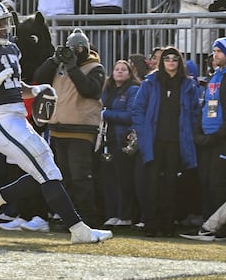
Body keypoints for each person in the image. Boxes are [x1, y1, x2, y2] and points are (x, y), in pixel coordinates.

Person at [0, 0, 113, 243]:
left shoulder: (9, 49)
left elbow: (15, 87)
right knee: (48, 173)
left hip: (16, 117)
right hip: (1, 120)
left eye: (5, 22)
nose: (5, 27)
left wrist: (35, 90)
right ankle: (79, 230)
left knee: (49, 170)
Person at [33, 28, 106, 226]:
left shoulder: (95, 68)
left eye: (78, 48)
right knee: (63, 177)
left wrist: (73, 68)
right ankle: (68, 216)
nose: (74, 52)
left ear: (86, 48)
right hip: (58, 129)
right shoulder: (60, 66)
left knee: (80, 178)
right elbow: (38, 78)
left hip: (81, 131)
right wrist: (53, 61)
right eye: (71, 48)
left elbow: (90, 90)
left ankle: (87, 218)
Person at [132, 46, 200, 237]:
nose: (171, 61)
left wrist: (188, 133)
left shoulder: (188, 85)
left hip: (176, 142)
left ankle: (168, 225)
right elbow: (138, 109)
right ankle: (151, 225)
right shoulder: (151, 82)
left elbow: (195, 112)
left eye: (175, 58)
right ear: (162, 62)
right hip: (154, 141)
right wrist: (143, 132)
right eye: (167, 58)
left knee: (170, 184)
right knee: (151, 183)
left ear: (180, 62)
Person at [100, 60, 140, 227]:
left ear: (130, 73)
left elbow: (130, 115)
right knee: (109, 180)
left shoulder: (133, 90)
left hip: (122, 140)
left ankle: (126, 215)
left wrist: (106, 114)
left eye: (124, 69)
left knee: (123, 179)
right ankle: (112, 214)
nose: (120, 72)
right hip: (105, 140)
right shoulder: (107, 90)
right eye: (116, 69)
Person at [193, 38, 226, 225]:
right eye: (214, 51)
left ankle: (218, 228)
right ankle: (207, 224)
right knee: (205, 181)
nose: (215, 55)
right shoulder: (214, 77)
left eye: (219, 51)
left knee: (218, 184)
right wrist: (198, 133)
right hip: (206, 138)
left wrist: (217, 136)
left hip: (220, 140)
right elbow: (205, 107)